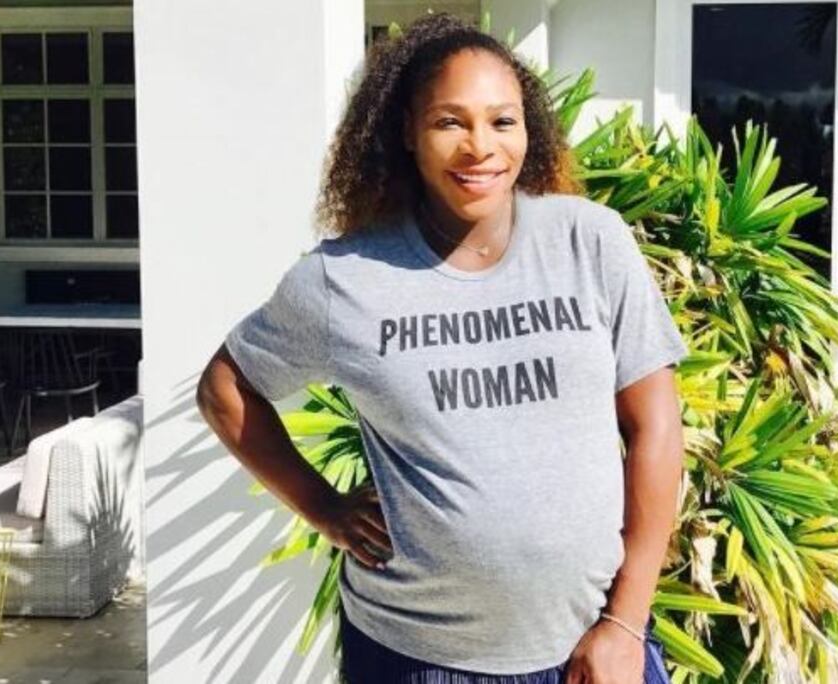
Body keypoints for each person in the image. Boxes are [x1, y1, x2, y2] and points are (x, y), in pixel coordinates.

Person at [196, 12, 687, 684]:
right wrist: (324, 507)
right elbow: (226, 388)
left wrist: (626, 623)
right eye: (450, 122)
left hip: (593, 649)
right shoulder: (346, 279)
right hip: (417, 658)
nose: (480, 147)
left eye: (502, 121)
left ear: (528, 128)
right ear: (408, 132)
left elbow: (656, 426)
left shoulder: (590, 243)